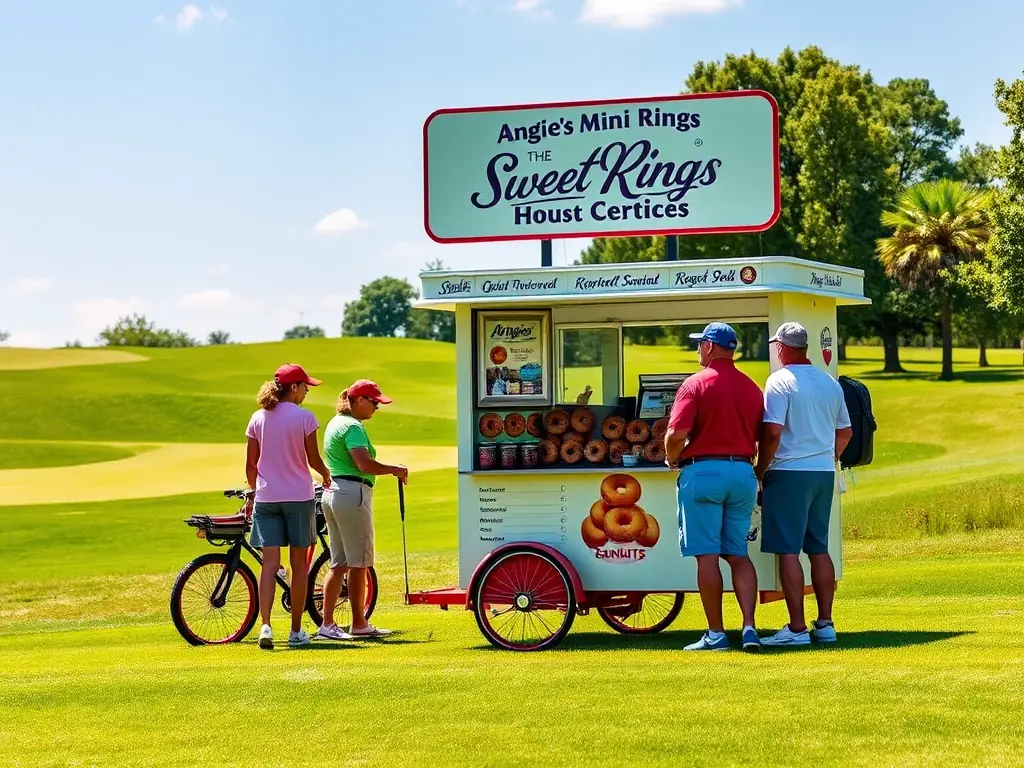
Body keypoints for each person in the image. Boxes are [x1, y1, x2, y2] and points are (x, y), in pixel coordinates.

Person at [664, 322, 765, 652]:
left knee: (707, 557)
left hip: (703, 473)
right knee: (738, 553)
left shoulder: (694, 385)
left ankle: (717, 634)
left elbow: (676, 435)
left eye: (699, 345)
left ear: (709, 346)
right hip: (742, 473)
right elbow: (763, 435)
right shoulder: (752, 388)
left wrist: (670, 458)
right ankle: (750, 628)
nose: (697, 350)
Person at [755, 322, 853, 647]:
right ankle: (825, 625)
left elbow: (771, 432)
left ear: (782, 347)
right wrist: (828, 457)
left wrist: (761, 467)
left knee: (787, 551)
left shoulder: (779, 381)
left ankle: (796, 629)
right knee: (818, 549)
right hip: (823, 473)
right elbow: (845, 432)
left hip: (788, 473)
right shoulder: (829, 383)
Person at [245, 363, 333, 650]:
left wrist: (255, 490)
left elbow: (251, 466)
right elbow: (313, 460)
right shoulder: (305, 418)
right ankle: (296, 631)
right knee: (298, 567)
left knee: (269, 565)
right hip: (299, 497)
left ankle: (266, 626)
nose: (307, 391)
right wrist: (327, 475)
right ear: (293, 388)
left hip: (267, 498)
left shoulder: (257, 418)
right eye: (305, 386)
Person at [316, 379, 409, 641]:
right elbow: (364, 464)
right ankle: (358, 623)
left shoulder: (336, 423)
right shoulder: (353, 427)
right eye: (374, 402)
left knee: (340, 563)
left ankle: (328, 624)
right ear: (358, 401)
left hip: (333, 493)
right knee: (360, 563)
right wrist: (395, 469)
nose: (377, 407)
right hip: (352, 493)